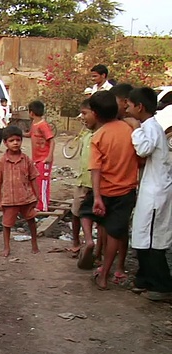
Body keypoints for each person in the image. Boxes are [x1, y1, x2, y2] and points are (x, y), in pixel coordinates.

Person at [78, 91, 139, 290]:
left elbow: (96, 169)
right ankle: (104, 275)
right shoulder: (129, 130)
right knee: (115, 231)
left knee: (84, 212)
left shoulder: (99, 137)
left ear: (95, 113)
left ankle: (88, 240)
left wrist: (96, 197)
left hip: (105, 190)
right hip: (126, 191)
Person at [125, 87, 172, 300]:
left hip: (156, 192)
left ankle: (161, 285)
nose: (126, 108)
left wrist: (135, 128)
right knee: (142, 234)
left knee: (153, 238)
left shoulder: (150, 127)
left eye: (129, 105)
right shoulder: (150, 126)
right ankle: (144, 278)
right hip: (151, 189)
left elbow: (143, 149)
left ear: (139, 107)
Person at [0, 125, 40, 257]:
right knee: (7, 224)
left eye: (18, 140)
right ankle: (7, 247)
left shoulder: (26, 160)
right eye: (12, 141)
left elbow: (33, 177)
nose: (15, 143)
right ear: (5, 143)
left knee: (31, 220)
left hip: (26, 198)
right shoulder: (1, 162)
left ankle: (34, 243)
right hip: (9, 199)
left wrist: (37, 196)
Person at [71, 99, 95, 260]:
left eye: (85, 114)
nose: (82, 118)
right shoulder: (86, 133)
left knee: (90, 214)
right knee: (76, 212)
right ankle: (76, 242)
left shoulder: (99, 134)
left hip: (95, 182)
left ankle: (90, 243)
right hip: (82, 179)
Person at [25, 100, 54, 212]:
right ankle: (39, 203)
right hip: (37, 159)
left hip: (44, 159)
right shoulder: (34, 124)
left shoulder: (43, 125)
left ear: (31, 112)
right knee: (36, 181)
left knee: (43, 182)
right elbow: (30, 134)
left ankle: (43, 206)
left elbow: (51, 140)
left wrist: (49, 156)